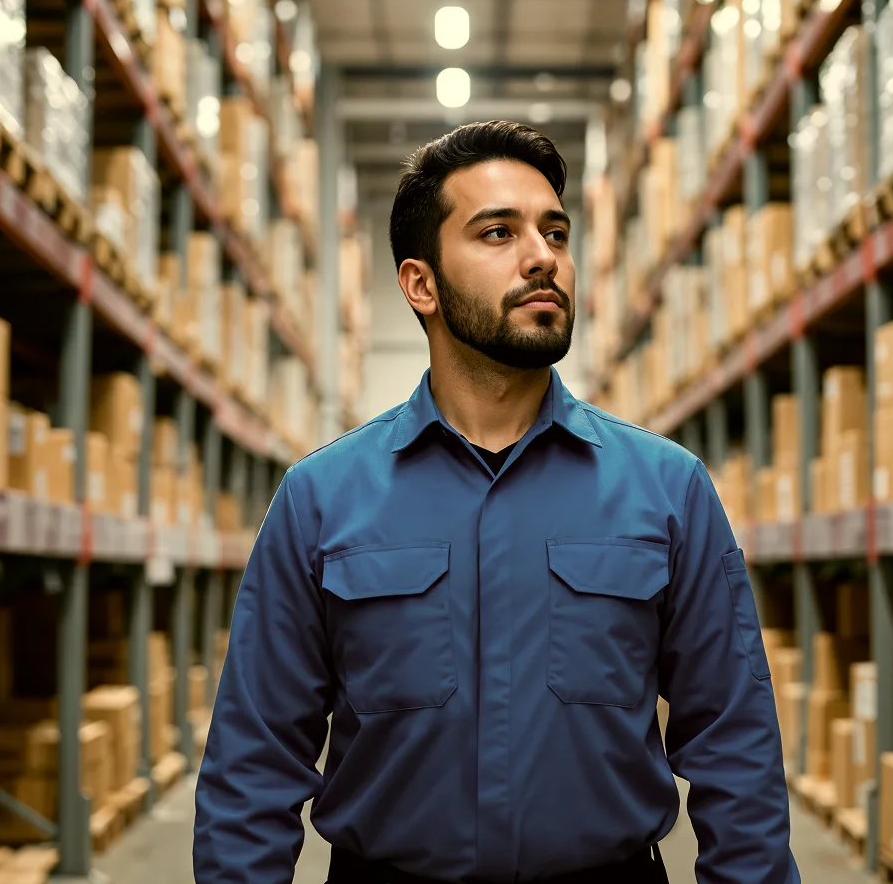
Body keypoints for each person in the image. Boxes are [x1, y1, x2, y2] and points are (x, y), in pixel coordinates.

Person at [193, 120, 800, 884]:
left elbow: (733, 743)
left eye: (554, 231)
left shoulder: (667, 488)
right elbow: (254, 759)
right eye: (496, 232)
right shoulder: (320, 498)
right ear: (420, 284)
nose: (542, 255)